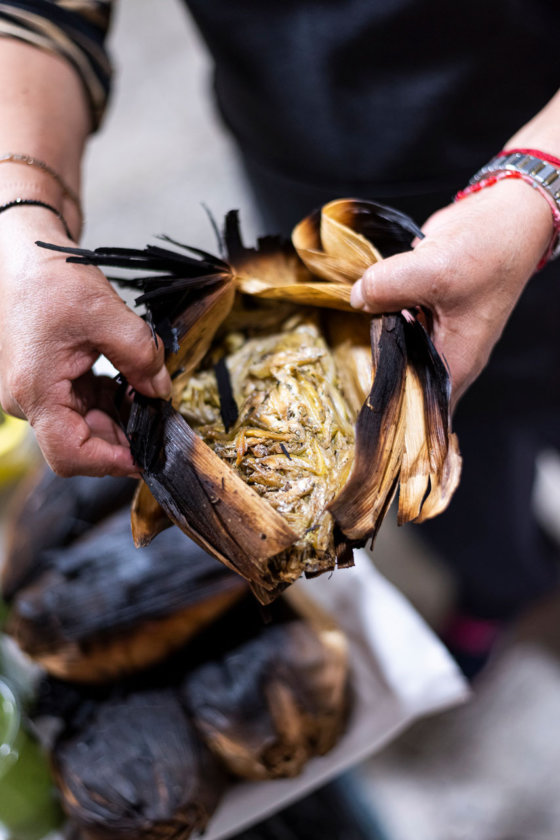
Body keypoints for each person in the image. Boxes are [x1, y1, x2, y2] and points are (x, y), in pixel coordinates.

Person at [0, 1, 558, 651]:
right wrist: (20, 220)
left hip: (532, 133)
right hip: (305, 166)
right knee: (455, 466)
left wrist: (539, 183)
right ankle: (503, 584)